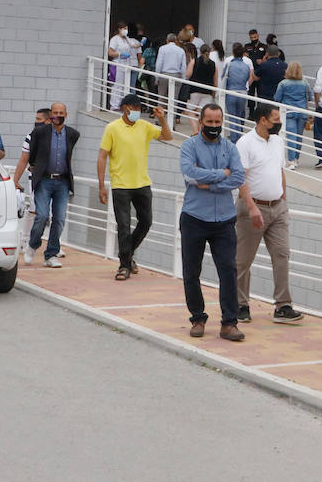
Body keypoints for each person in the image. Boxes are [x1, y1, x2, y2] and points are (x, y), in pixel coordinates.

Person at [178, 103, 247, 342]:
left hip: (224, 220)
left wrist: (211, 182)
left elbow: (239, 177)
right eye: (210, 122)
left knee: (228, 271)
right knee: (191, 271)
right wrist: (222, 174)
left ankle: (229, 323)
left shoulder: (230, 147)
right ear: (201, 121)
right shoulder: (189, 146)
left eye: (218, 122)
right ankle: (197, 317)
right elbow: (189, 174)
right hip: (194, 217)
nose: (214, 127)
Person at [234, 103, 304, 325]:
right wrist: (252, 207)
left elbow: (279, 170)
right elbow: (240, 178)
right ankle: (240, 304)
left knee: (282, 255)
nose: (279, 124)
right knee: (243, 259)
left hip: (278, 208)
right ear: (262, 120)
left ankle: (283, 306)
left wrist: (284, 201)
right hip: (252, 208)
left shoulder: (278, 141)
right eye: (275, 120)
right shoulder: (245, 143)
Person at [97, 93, 173, 281]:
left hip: (142, 183)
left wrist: (162, 119)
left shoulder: (145, 126)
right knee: (123, 225)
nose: (138, 112)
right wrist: (101, 185)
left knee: (146, 222)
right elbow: (102, 156)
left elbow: (167, 136)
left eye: (139, 109)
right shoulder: (112, 128)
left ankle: (127, 254)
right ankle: (124, 266)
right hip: (120, 185)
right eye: (135, 108)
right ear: (125, 108)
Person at [14, 102, 80, 269]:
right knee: (42, 215)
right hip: (44, 180)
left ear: (66, 114)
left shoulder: (72, 134)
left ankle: (50, 254)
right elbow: (29, 157)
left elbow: (69, 156)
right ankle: (32, 245)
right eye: (55, 113)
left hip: (63, 181)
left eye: (61, 112)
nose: (58, 115)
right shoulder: (40, 133)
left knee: (59, 219)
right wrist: (18, 177)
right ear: (51, 115)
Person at [274, 61, 310, 164]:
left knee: (291, 137)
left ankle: (291, 160)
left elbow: (277, 98)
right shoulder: (305, 83)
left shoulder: (283, 83)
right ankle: (296, 158)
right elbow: (310, 97)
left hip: (288, 112)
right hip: (302, 112)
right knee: (299, 136)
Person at [220, 44, 253, 141]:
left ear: (233, 53)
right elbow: (248, 78)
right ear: (243, 54)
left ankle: (235, 140)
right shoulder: (246, 66)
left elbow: (223, 77)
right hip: (243, 93)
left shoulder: (229, 64)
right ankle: (239, 138)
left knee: (232, 118)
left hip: (231, 92)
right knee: (239, 117)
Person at [155, 33, 187, 123]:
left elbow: (159, 63)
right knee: (174, 100)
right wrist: (183, 78)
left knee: (161, 98)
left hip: (164, 74)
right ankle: (171, 122)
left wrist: (157, 76)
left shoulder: (162, 48)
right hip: (176, 75)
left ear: (167, 40)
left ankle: (160, 120)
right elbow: (183, 66)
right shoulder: (181, 50)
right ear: (176, 40)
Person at [106, 22, 136, 111]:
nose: (126, 31)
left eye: (126, 29)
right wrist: (120, 54)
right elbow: (110, 52)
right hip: (117, 64)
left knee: (124, 86)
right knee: (117, 85)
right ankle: (114, 105)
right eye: (124, 28)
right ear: (119, 29)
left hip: (126, 64)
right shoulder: (115, 39)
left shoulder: (126, 39)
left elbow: (134, 45)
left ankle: (122, 104)